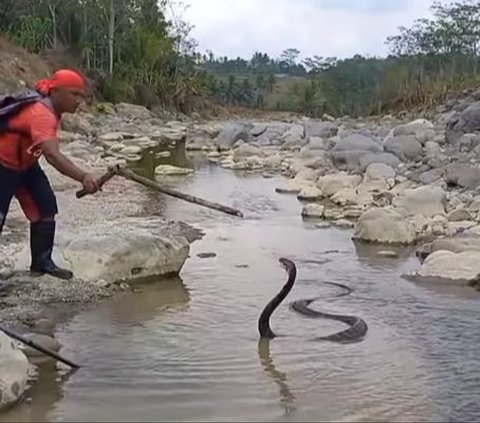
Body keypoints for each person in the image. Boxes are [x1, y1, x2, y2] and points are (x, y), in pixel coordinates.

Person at [0, 69, 102, 280]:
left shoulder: (50, 108)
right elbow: (53, 156)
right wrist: (83, 176)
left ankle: (42, 263)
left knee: (45, 206)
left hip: (25, 165)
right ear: (56, 92)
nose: (79, 100)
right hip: (3, 164)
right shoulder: (41, 113)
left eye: (81, 95)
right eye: (74, 94)